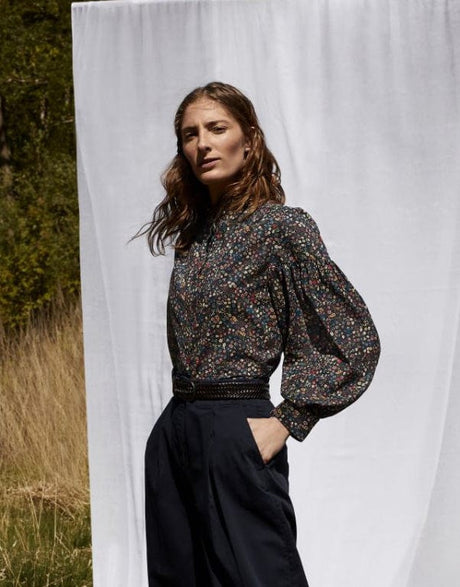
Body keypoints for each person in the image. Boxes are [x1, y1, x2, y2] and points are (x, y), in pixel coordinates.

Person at [136, 81, 381, 586]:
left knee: (261, 576)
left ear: (248, 141)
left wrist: (289, 419)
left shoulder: (281, 228)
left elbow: (353, 338)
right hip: (176, 430)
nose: (202, 143)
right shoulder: (193, 236)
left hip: (236, 425)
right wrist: (172, 435)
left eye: (216, 128)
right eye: (190, 134)